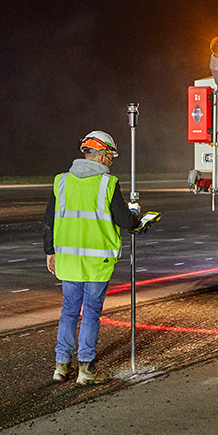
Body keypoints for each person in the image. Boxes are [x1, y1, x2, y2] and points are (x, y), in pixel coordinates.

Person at [43, 129, 140, 384]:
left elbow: (49, 221)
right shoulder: (108, 184)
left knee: (69, 311)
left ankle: (61, 366)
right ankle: (86, 368)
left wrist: (50, 252)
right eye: (109, 155)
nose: (111, 161)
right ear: (98, 155)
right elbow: (123, 220)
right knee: (92, 312)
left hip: (70, 260)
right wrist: (137, 216)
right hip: (97, 262)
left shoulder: (62, 181)